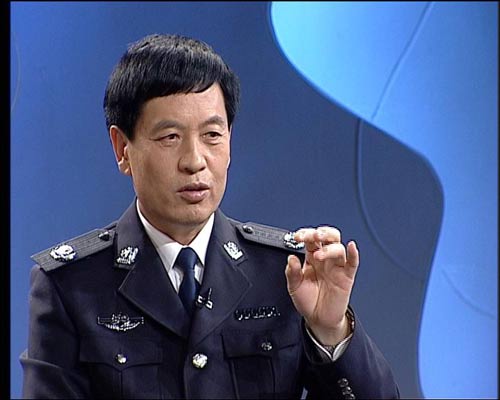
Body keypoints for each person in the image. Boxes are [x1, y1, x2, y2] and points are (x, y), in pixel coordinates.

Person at [20, 33, 399, 399]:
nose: (194, 161)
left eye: (212, 135)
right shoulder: (70, 287)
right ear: (122, 149)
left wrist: (331, 330)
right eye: (170, 137)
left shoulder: (287, 273)